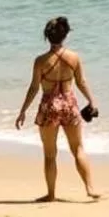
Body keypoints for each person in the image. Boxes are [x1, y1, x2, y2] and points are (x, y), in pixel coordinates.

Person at [15, 16, 101, 201]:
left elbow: (33, 88)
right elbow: (81, 82)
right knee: (78, 149)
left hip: (49, 106)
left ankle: (51, 194)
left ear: (47, 36)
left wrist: (23, 111)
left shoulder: (40, 61)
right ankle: (90, 188)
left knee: (49, 154)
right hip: (69, 104)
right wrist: (91, 101)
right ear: (65, 35)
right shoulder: (74, 58)